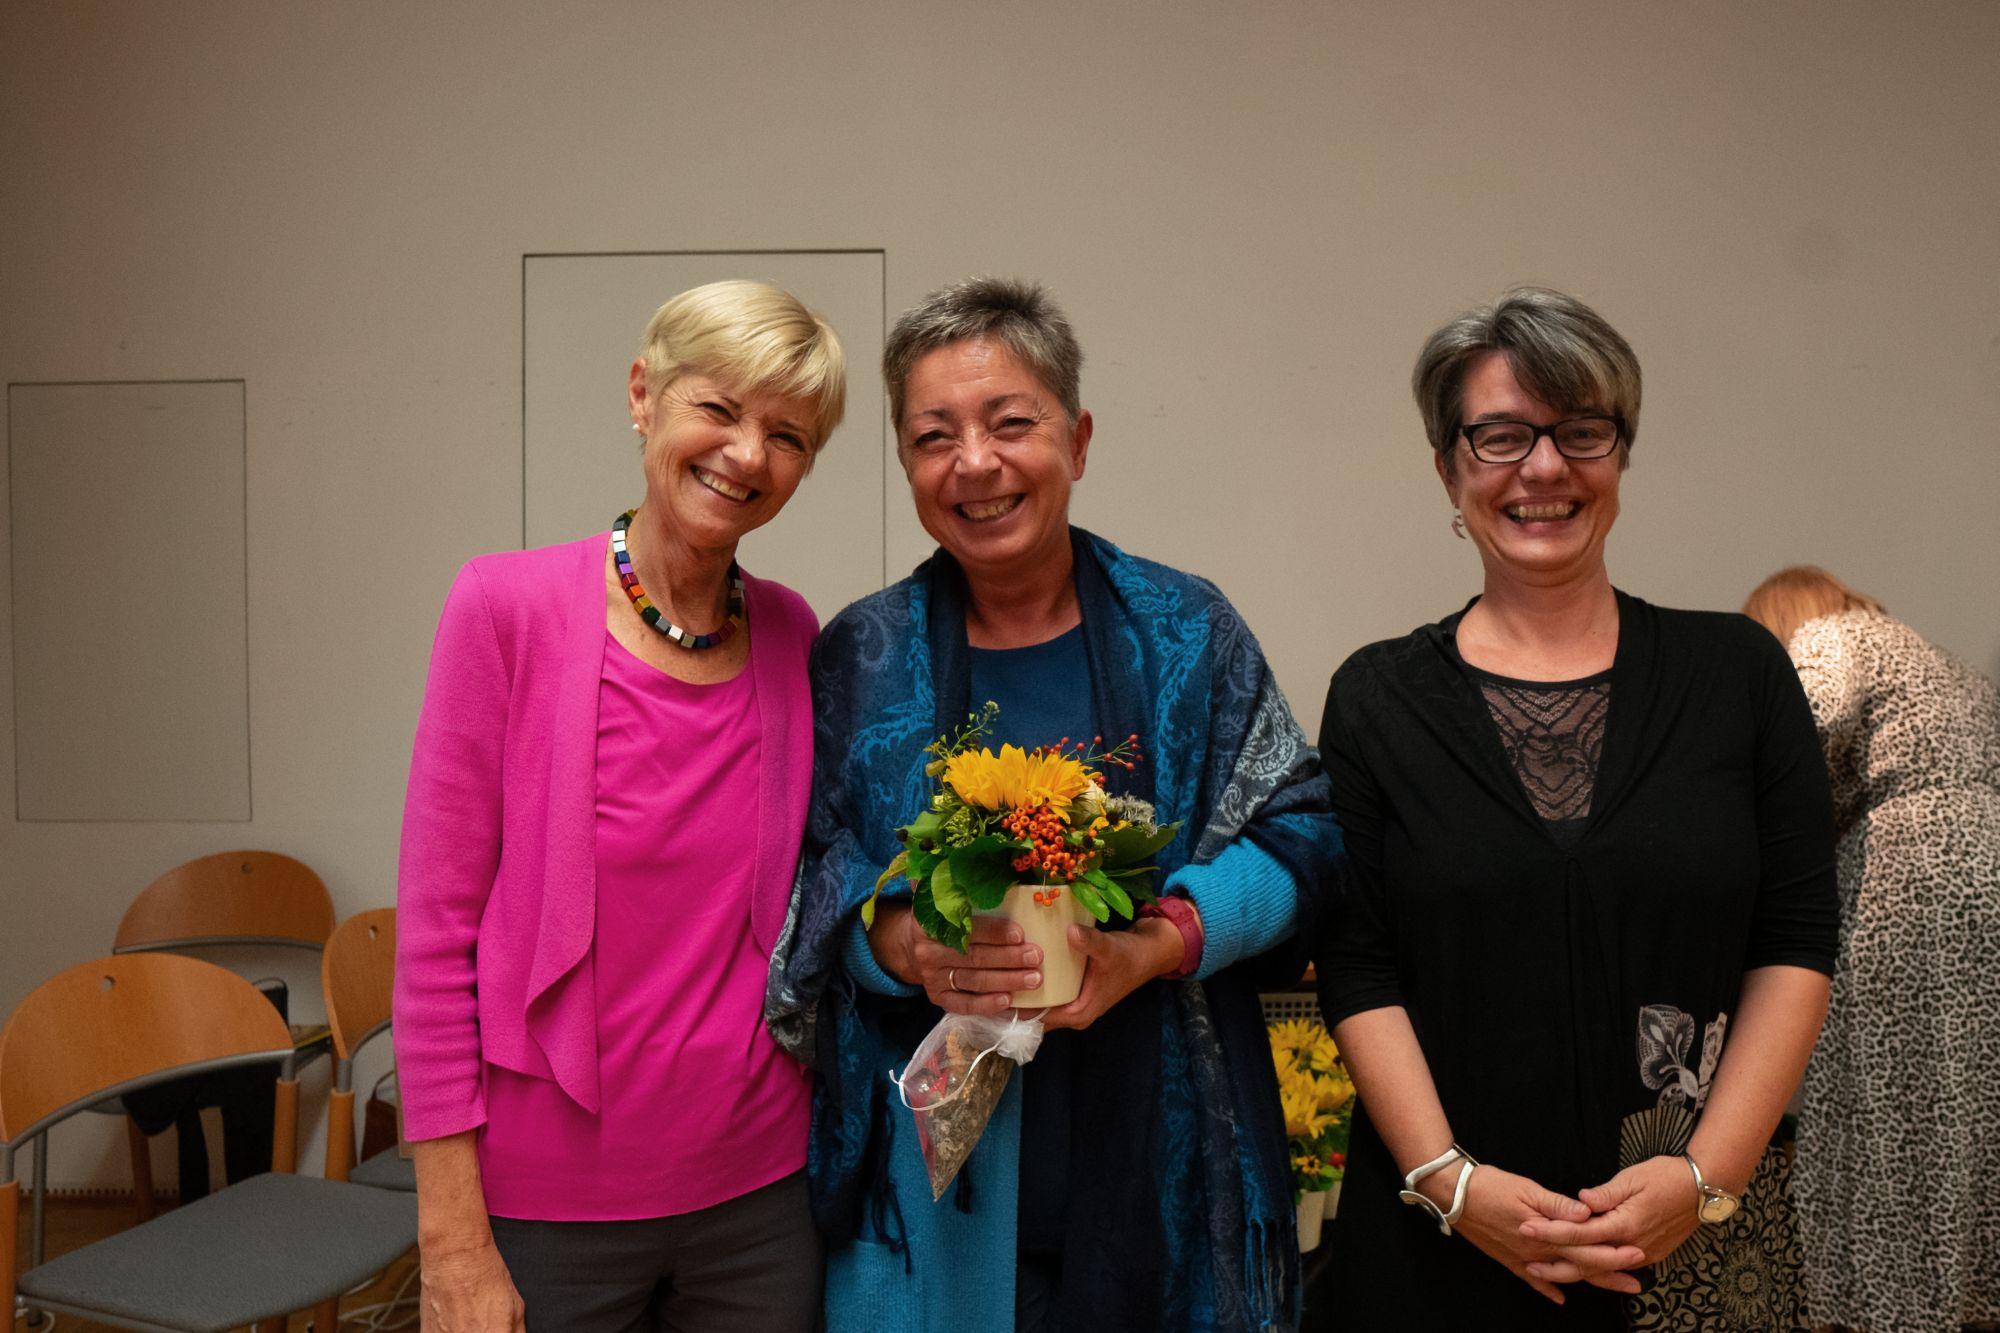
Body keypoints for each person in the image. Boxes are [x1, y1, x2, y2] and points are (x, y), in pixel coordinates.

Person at [765, 277, 1339, 1333]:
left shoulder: (1186, 632)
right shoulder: (863, 656)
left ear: (1077, 440)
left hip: (1164, 1194)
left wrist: (1159, 943)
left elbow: (1303, 830)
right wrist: (899, 943)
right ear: (905, 464)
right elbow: (805, 885)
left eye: (1010, 423)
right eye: (933, 436)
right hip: (933, 1218)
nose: (973, 462)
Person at [1313, 287, 1839, 1330]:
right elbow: (1357, 964)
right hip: (1427, 1255)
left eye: (1580, 431)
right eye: (1501, 436)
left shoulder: (1738, 675)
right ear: (1448, 469)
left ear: (1619, 454)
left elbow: (1794, 939)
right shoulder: (1375, 697)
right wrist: (1453, 1184)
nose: (1544, 468)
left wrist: (1705, 1176)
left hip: (1688, 1255)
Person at [394, 279, 844, 1332]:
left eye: (786, 435)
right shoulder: (502, 608)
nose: (746, 454)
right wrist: (450, 1238)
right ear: (643, 395)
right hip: (548, 1202)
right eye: (717, 409)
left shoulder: (792, 633)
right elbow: (435, 938)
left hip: (762, 1195)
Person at [1744, 566, 2000, 1333]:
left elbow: (1805, 721)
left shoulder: (1832, 636)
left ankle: (1892, 1307)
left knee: (1890, 1101)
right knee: (1971, 1104)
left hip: (1913, 871)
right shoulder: (1951, 666)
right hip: (1987, 869)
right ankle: (1969, 1293)